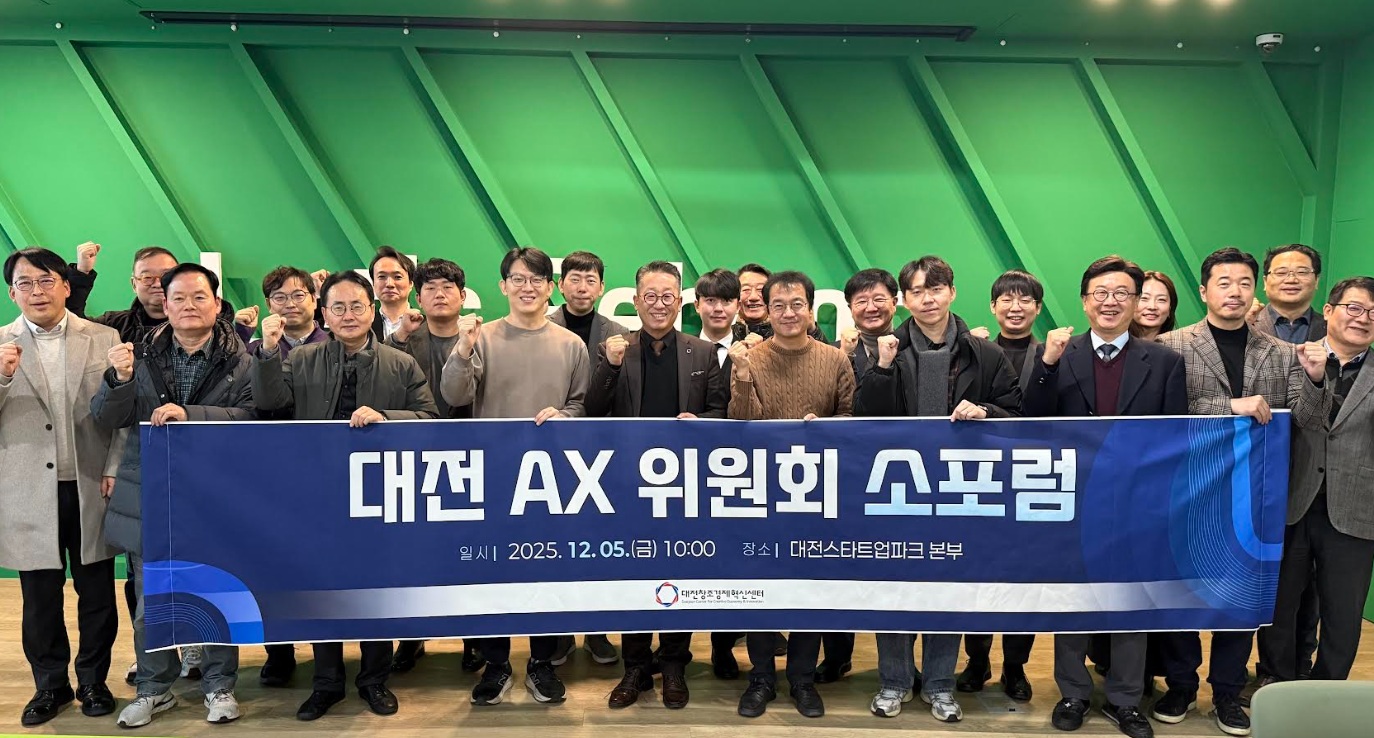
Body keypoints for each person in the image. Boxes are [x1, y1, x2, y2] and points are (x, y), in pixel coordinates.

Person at [1154, 247, 1330, 737]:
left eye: (1244, 283)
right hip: (1187, 488)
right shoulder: (1170, 345)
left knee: (1239, 595)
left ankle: (1228, 693)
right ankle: (1181, 685)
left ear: (1255, 290)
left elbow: (1308, 420)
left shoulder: (1281, 352)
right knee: (1182, 590)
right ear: (1204, 291)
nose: (1235, 291)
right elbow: (1164, 414)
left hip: (1251, 495)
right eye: (1224, 282)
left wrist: (1316, 379)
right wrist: (1228, 405)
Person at [251, 270, 437, 720]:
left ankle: (374, 680)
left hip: (380, 493)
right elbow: (269, 404)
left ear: (372, 311)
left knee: (376, 589)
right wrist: (268, 352)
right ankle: (327, 683)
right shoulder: (301, 358)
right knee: (323, 589)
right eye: (338, 307)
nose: (348, 315)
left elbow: (430, 418)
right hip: (317, 493)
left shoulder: (400, 363)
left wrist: (387, 416)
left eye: (357, 306)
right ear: (324, 313)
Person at [1024, 256, 1188, 738]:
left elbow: (1173, 439)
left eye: (1121, 293)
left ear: (1136, 303)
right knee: (1073, 601)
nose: (1110, 301)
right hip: (1072, 501)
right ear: (1084, 301)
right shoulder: (1057, 353)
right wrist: (1047, 364)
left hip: (1138, 505)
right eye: (1101, 292)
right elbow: (1031, 420)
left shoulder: (1164, 361)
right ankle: (1073, 693)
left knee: (1130, 602)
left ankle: (1125, 699)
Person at [855, 255, 1021, 723]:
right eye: (917, 291)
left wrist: (985, 412)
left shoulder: (985, 353)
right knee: (894, 590)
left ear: (952, 292)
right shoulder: (885, 348)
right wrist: (882, 367)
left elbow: (1016, 412)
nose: (927, 299)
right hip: (896, 489)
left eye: (936, 289)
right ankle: (894, 680)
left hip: (958, 491)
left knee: (947, 590)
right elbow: (864, 418)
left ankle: (941, 684)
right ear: (904, 300)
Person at [91, 263, 255, 728]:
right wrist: (118, 380)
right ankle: (153, 689)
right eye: (178, 298)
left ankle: (219, 685)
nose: (188, 306)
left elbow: (253, 416)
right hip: (152, 493)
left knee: (215, 594)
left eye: (199, 297)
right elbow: (106, 418)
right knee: (152, 603)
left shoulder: (241, 359)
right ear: (164, 304)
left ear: (217, 304)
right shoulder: (138, 355)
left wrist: (191, 413)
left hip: (216, 493)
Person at [442, 246, 590, 706]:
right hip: (492, 476)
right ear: (503, 285)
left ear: (551, 287)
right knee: (491, 573)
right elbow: (454, 394)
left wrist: (565, 416)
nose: (528, 287)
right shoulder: (480, 336)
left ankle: (542, 663)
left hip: (551, 481)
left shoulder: (571, 344)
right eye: (518, 279)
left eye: (537, 279)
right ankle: (497, 664)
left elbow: (580, 404)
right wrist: (463, 349)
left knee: (548, 571)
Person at [587, 261, 727, 709]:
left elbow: (722, 411)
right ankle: (635, 667)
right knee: (633, 573)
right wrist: (610, 366)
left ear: (680, 301)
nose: (659, 304)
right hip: (627, 484)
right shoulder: (616, 348)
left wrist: (700, 422)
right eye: (650, 295)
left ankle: (674, 665)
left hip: (685, 486)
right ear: (635, 300)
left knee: (679, 573)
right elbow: (593, 409)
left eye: (667, 296)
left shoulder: (702, 353)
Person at [1, 248, 124, 726]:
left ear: (66, 286)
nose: (37, 291)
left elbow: (122, 415)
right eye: (25, 283)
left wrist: (114, 466)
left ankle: (93, 681)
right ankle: (49, 686)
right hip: (28, 490)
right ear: (12, 293)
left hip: (91, 484)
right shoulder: (2, 343)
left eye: (46, 281)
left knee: (98, 592)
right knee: (39, 598)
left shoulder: (103, 337)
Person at [729, 270, 854, 719]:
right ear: (766, 309)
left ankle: (802, 678)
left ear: (810, 308)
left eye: (796, 304)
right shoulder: (750, 357)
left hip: (817, 496)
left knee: (809, 590)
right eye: (778, 305)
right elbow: (740, 423)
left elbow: (851, 418)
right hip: (760, 494)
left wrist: (828, 429)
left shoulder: (835, 359)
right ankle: (762, 677)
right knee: (761, 588)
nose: (787, 313)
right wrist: (743, 375)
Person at [1256, 277, 1374, 689]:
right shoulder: (1289, 361)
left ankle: (1327, 690)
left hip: (1357, 509)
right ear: (1329, 311)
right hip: (1290, 501)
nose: (1363, 318)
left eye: (1373, 313)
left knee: (1343, 612)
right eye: (1354, 308)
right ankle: (1276, 679)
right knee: (1280, 603)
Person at [383, 258, 483, 675]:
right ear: (418, 296)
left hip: (472, 458)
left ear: (463, 295)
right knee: (414, 554)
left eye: (447, 287)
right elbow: (384, 380)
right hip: (413, 457)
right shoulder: (405, 338)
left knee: (470, 553)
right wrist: (399, 337)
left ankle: (474, 639)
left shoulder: (481, 336)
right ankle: (412, 636)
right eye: (430, 288)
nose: (439, 294)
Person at [543, 250, 625, 665]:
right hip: (551, 449)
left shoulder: (618, 332)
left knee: (597, 544)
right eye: (574, 279)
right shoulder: (541, 326)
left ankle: (596, 630)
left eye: (590, 280)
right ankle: (558, 632)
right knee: (555, 543)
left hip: (601, 450)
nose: (582, 287)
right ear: (560, 285)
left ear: (602, 287)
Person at [1249, 244, 1325, 689]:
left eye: (1302, 271)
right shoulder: (1246, 325)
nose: (1291, 278)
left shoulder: (1335, 327)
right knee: (1271, 579)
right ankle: (1271, 671)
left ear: (1316, 280)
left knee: (1309, 583)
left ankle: (1301, 667)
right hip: (1258, 471)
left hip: (1315, 471)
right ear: (1266, 281)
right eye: (1281, 271)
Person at [736, 263, 828, 342]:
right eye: (745, 289)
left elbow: (826, 355)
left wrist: (812, 330)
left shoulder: (789, 328)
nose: (753, 297)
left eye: (760, 289)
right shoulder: (729, 334)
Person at [695, 268, 741, 370]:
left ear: (738, 306)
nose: (718, 309)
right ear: (697, 305)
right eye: (711, 300)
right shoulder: (680, 351)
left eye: (726, 301)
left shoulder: (749, 351)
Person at [370, 246, 416, 341]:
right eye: (382, 277)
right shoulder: (364, 326)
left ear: (411, 284)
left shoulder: (427, 326)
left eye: (397, 277)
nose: (389, 284)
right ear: (373, 283)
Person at [1130, 270, 1179, 341]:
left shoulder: (1180, 346)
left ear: (1170, 308)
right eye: (1144, 298)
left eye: (1161, 300)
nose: (1152, 307)